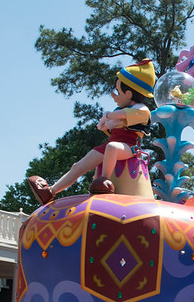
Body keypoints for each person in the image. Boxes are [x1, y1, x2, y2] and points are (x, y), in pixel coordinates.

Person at [27, 59, 157, 204]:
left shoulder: (142, 110)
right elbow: (109, 124)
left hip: (130, 147)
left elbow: (120, 116)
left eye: (117, 91)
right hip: (111, 146)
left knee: (112, 148)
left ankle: (105, 181)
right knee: (78, 166)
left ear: (128, 94)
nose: (113, 95)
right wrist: (104, 123)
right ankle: (50, 191)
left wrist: (107, 116)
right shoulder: (120, 110)